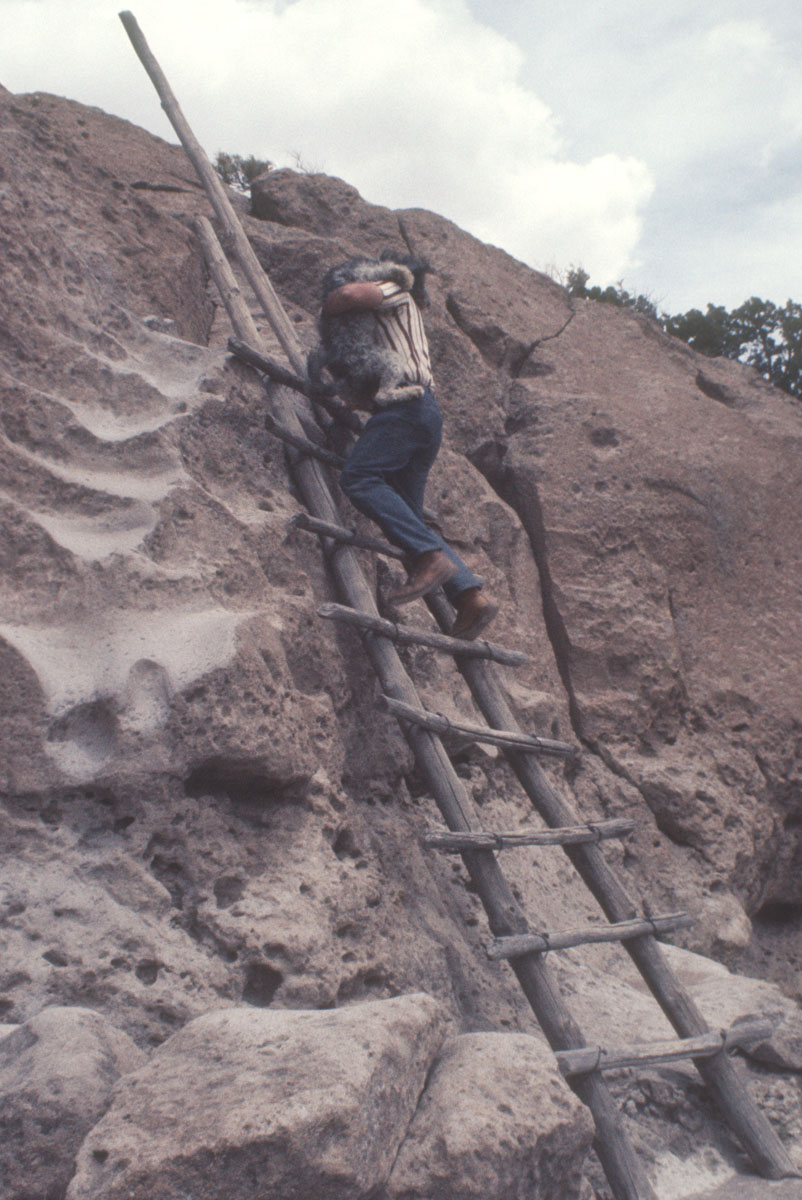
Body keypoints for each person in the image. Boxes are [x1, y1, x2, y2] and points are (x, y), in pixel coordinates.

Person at [323, 267, 498, 641]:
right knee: (408, 514)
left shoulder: (398, 291)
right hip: (421, 413)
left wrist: (329, 304)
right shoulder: (397, 326)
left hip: (405, 406)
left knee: (359, 477)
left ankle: (432, 559)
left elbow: (351, 296)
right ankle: (469, 595)